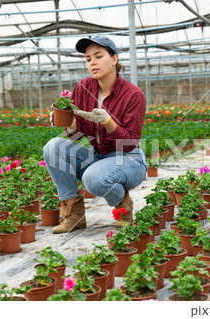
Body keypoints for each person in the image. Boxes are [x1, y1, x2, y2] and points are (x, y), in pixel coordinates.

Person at [43, 35, 147, 234]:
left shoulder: (133, 95)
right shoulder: (83, 88)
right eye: (88, 59)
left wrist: (108, 122)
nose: (93, 62)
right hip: (97, 155)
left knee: (93, 178)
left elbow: (128, 142)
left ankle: (122, 205)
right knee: (53, 147)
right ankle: (73, 216)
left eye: (98, 56)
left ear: (114, 59)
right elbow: (76, 135)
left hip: (127, 159)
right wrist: (69, 122)